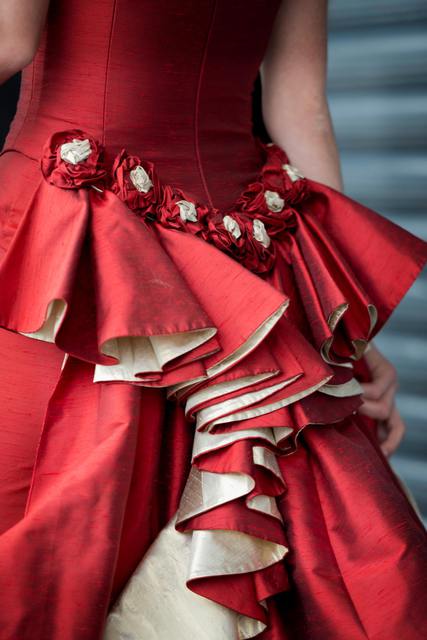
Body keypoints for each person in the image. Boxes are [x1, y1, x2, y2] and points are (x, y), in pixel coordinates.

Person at [0, 1, 425, 639]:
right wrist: (343, 328)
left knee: (50, 534)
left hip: (75, 251)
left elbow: (8, 42)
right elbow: (300, 105)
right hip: (255, 265)